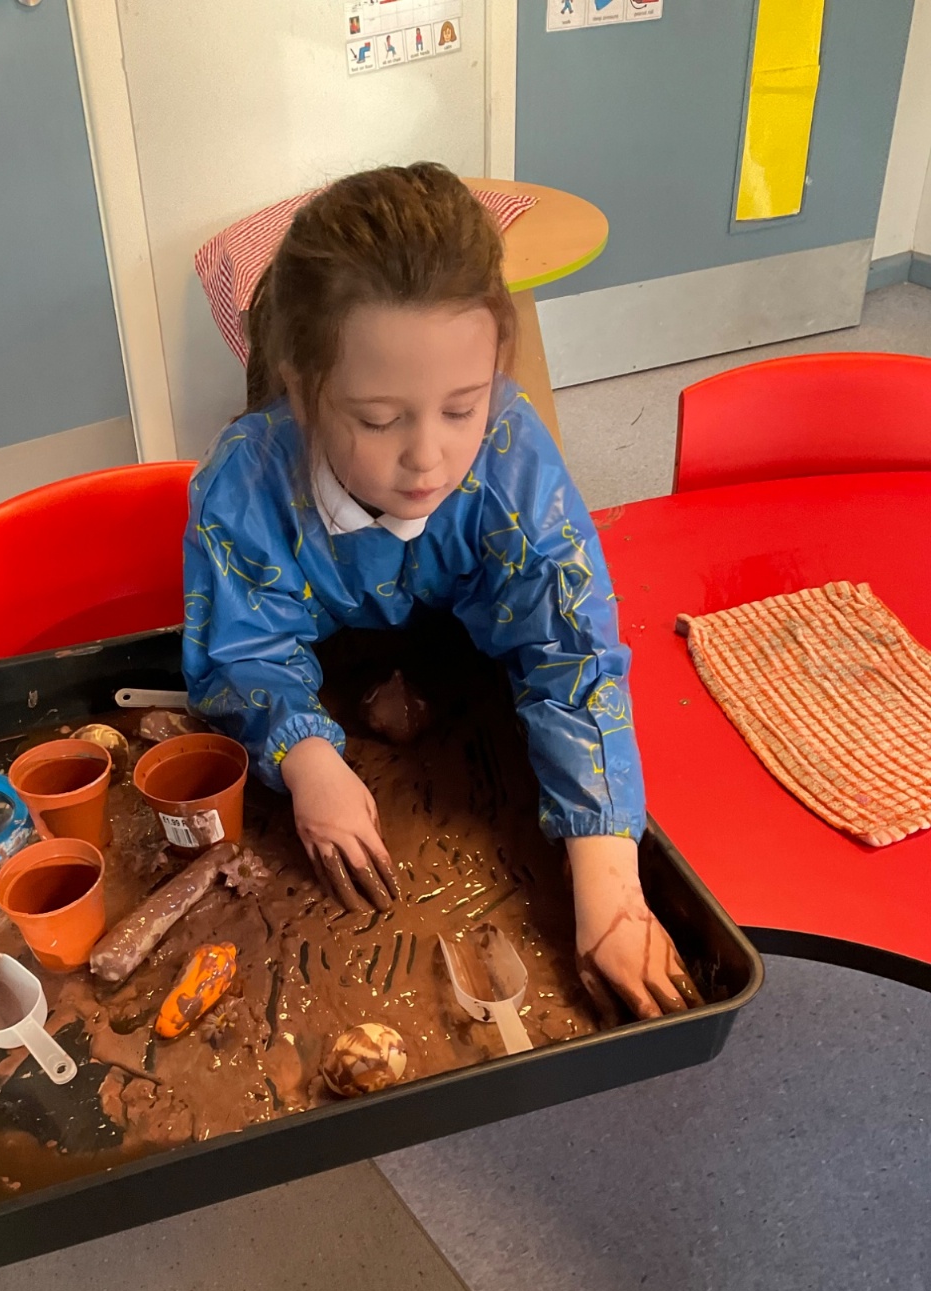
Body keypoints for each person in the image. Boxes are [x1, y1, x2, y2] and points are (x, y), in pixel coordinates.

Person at [183, 163, 697, 1021]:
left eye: (462, 408)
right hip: (330, 677)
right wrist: (307, 758)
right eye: (380, 420)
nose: (428, 457)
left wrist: (610, 884)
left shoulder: (511, 456)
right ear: (304, 389)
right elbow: (242, 650)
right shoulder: (245, 481)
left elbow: (571, 652)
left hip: (466, 674)